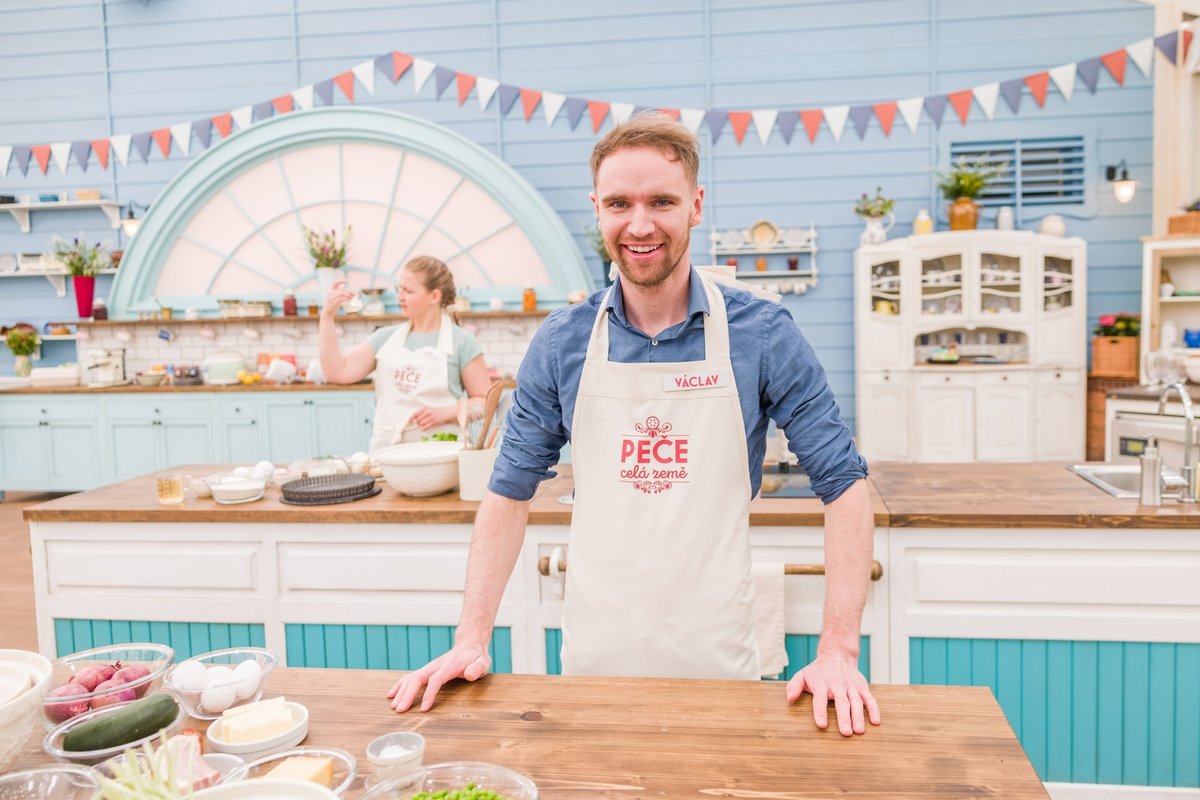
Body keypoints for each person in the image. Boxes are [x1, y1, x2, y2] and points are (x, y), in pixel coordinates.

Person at [388, 115, 881, 737]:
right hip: (596, 659)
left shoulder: (763, 334)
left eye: (662, 202)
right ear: (597, 208)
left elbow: (845, 485)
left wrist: (839, 650)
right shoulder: (563, 342)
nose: (639, 224)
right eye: (620, 203)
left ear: (696, 206)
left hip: (718, 657)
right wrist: (470, 638)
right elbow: (509, 492)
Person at [319, 255, 491, 452]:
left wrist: (449, 412)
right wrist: (327, 317)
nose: (400, 296)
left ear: (434, 296)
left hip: (440, 454)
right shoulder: (384, 338)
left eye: (408, 290)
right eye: (399, 289)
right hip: (387, 455)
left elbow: (485, 401)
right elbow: (337, 372)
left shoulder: (462, 341)